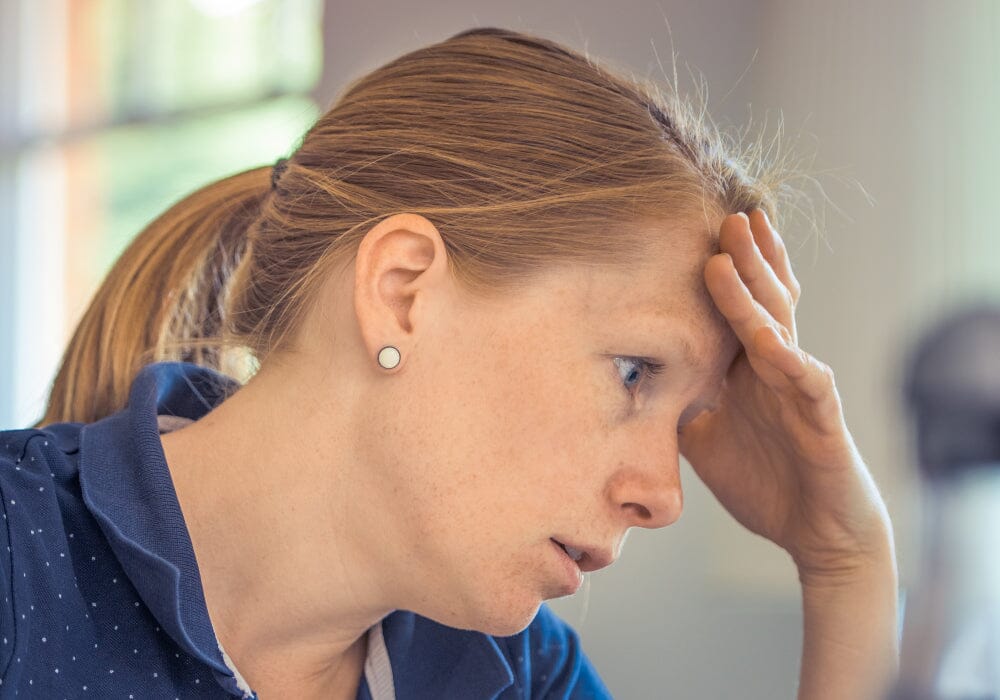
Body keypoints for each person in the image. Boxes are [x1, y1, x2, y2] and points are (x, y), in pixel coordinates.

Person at [2, 26, 899, 699]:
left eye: (687, 420)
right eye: (634, 373)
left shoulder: (514, 672)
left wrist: (846, 564)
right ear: (403, 291)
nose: (663, 499)